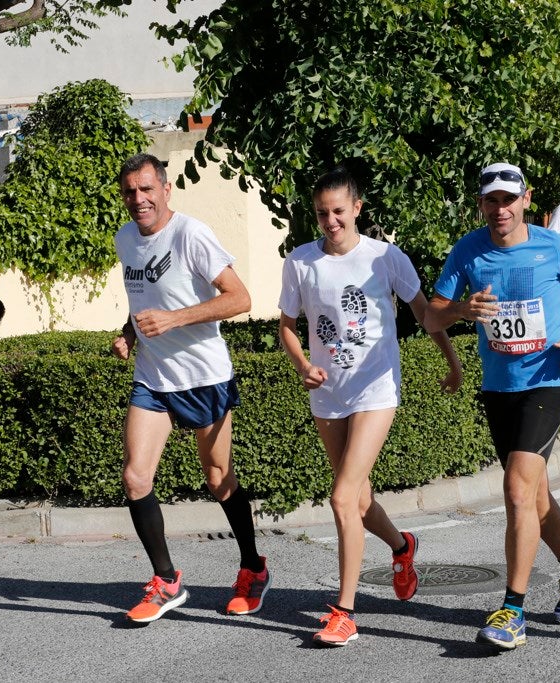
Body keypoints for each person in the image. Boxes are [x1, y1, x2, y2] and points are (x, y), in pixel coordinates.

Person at [425, 162, 560, 650]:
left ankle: (512, 610)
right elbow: (430, 315)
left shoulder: (555, 246)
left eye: (509, 199)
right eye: (491, 200)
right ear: (481, 203)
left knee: (516, 490)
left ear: (526, 199)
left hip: (549, 378)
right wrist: (462, 309)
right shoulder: (468, 250)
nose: (500, 209)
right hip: (499, 385)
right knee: (535, 495)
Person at [278, 166, 463, 647]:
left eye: (339, 211)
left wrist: (453, 362)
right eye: (322, 213)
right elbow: (287, 326)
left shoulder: (385, 258)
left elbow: (426, 315)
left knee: (341, 498)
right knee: (358, 500)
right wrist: (302, 365)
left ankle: (344, 611)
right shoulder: (300, 262)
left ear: (357, 208)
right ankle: (403, 546)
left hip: (375, 390)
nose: (331, 221)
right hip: (327, 392)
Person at [111, 153, 268, 623]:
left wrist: (174, 320)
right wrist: (128, 332)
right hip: (153, 379)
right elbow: (145, 301)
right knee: (136, 478)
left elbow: (240, 298)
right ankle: (166, 580)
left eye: (146, 189)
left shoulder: (190, 234)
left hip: (204, 377)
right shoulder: (125, 239)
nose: (138, 199)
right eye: (130, 192)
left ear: (165, 189)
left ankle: (253, 567)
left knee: (219, 480)